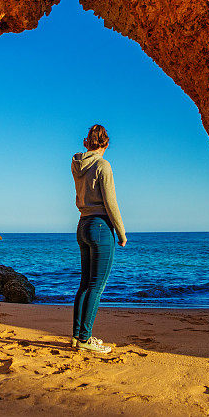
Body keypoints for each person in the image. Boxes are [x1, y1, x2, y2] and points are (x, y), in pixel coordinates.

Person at [70, 124, 127, 354]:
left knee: (84, 284)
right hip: (101, 226)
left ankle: (77, 337)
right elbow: (110, 202)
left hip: (82, 225)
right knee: (96, 285)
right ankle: (85, 338)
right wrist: (121, 233)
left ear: (86, 142)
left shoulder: (77, 165)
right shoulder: (103, 166)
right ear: (106, 143)